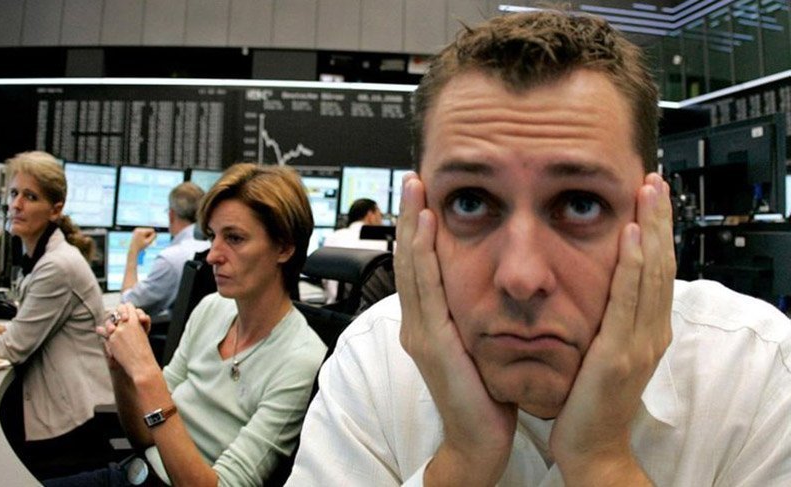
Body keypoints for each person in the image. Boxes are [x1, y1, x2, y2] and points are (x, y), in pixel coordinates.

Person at [288, 10, 791, 486]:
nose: (522, 278)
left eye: (580, 204)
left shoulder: (758, 370)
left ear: (652, 216)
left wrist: (602, 461)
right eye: (469, 202)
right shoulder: (374, 361)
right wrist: (460, 463)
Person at [51, 162, 327, 486]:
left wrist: (145, 371)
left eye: (234, 238)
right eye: (213, 236)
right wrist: (121, 370)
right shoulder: (212, 309)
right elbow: (144, 435)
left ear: (284, 247)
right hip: (133, 473)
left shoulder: (300, 359)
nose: (212, 255)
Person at [0, 151, 114, 478]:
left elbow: (12, 348)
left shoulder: (57, 266)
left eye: (30, 197)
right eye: (14, 193)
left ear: (55, 209)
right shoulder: (43, 256)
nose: (16, 205)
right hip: (65, 405)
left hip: (71, 422)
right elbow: (30, 327)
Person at [120, 181, 210, 318]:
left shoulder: (170, 259)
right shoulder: (210, 247)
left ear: (171, 215)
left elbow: (128, 305)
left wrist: (133, 251)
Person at [321, 198, 389, 303]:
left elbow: (325, 278)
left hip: (334, 308)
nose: (381, 220)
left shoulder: (333, 237)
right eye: (380, 215)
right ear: (370, 215)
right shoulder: (386, 242)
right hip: (373, 309)